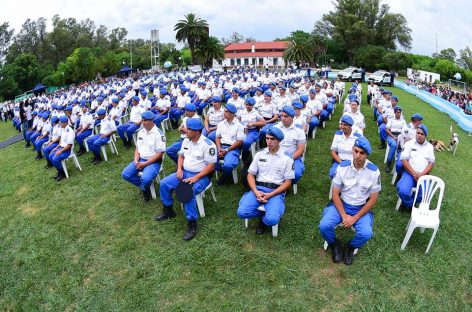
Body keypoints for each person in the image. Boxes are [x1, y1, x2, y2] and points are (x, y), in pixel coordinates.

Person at [319, 136, 381, 265]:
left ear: (367, 154)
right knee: (324, 226)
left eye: (362, 153)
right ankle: (334, 244)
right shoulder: (342, 167)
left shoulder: (374, 172)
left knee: (366, 233)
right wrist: (343, 215)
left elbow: (373, 200)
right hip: (341, 204)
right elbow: (335, 194)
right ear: (352, 150)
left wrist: (354, 218)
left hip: (360, 208)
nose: (357, 156)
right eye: (356, 151)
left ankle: (349, 248)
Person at [155, 118, 217, 241]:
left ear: (197, 131)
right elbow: (181, 156)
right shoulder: (186, 141)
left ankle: (192, 223)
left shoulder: (208, 145)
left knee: (188, 192)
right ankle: (168, 210)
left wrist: (195, 178)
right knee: (164, 184)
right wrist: (179, 169)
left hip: (201, 176)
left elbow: (211, 167)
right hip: (184, 173)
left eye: (188, 129)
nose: (185, 130)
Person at [236, 127, 294, 234]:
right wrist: (255, 191)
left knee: (272, 220)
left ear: (279, 141)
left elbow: (288, 183)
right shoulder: (259, 154)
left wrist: (270, 195)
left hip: (276, 192)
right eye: (267, 138)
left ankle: (263, 219)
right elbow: (250, 175)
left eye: (272, 139)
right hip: (258, 189)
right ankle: (264, 212)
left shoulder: (287, 158)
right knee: (241, 213)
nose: (269, 141)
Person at [121, 111, 166, 201]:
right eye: (142, 120)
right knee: (125, 174)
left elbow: (159, 154)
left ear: (152, 120)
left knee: (145, 178)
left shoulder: (158, 134)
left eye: (145, 120)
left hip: (153, 162)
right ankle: (145, 187)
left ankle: (146, 190)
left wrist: (145, 164)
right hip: (140, 159)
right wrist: (135, 160)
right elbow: (137, 148)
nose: (143, 122)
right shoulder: (141, 132)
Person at [397, 124, 435, 211]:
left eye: (422, 134)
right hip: (409, 173)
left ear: (425, 135)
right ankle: (410, 205)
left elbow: (431, 163)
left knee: (426, 194)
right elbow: (403, 160)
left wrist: (421, 174)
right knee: (402, 190)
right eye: (418, 133)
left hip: (423, 175)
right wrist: (414, 174)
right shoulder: (409, 144)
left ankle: (408, 202)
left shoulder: (429, 147)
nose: (419, 135)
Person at [273, 106, 306, 184]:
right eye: (282, 116)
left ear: (292, 117)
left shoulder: (299, 131)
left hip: (293, 157)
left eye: (286, 116)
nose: (283, 118)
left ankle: (286, 184)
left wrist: (289, 159)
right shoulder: (275, 128)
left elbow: (301, 150)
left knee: (296, 173)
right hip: (276, 155)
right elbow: (270, 145)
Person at [215, 103, 245, 185]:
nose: (224, 113)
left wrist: (227, 150)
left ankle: (225, 176)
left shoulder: (239, 125)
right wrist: (219, 148)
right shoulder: (221, 124)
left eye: (226, 112)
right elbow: (217, 137)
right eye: (224, 111)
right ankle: (227, 172)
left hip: (233, 148)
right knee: (209, 160)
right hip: (221, 146)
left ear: (232, 114)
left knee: (228, 165)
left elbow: (240, 141)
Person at [49, 116, 75, 181]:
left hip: (67, 150)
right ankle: (60, 171)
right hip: (61, 147)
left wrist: (60, 151)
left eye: (60, 122)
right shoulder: (63, 129)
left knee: (55, 158)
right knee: (50, 156)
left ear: (65, 123)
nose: (59, 123)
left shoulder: (70, 131)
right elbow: (61, 141)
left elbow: (69, 145)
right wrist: (56, 147)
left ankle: (62, 173)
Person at [384, 106, 406, 172]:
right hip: (391, 136)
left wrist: (401, 137)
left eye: (400, 112)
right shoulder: (391, 120)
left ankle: (401, 164)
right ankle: (389, 163)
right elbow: (387, 129)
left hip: (400, 136)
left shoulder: (403, 121)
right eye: (397, 112)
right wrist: (393, 137)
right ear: (395, 112)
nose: (399, 114)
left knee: (404, 146)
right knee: (393, 145)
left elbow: (404, 131)